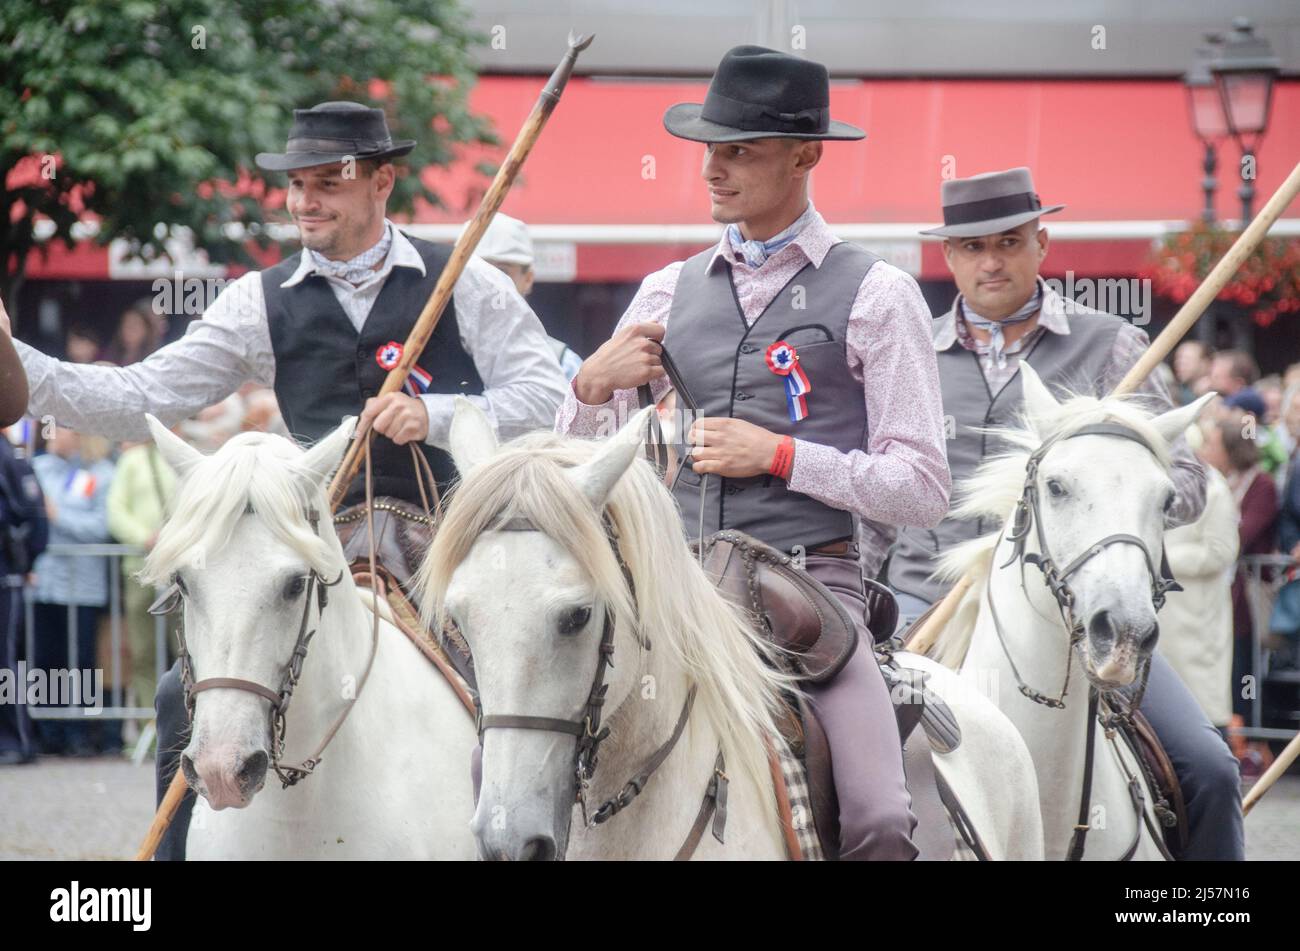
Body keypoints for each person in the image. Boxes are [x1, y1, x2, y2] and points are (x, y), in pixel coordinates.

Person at [9, 100, 566, 857]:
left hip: (443, 539)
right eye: (296, 184)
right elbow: (142, 396)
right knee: (182, 691)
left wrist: (435, 415)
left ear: (382, 183)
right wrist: (23, 367)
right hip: (313, 542)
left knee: (522, 679)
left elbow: (547, 397)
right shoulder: (257, 302)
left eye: (326, 183)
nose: (305, 201)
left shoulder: (463, 281)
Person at [558, 46, 951, 861]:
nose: (713, 169)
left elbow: (922, 488)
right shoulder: (665, 289)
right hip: (673, 588)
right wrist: (590, 390)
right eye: (711, 148)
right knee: (511, 761)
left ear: (806, 155)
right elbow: (581, 475)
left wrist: (780, 455)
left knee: (879, 819)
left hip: (815, 590)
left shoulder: (880, 293)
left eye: (740, 150)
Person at [887, 166, 1243, 860]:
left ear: (1042, 242)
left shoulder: (1113, 345)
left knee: (1209, 768)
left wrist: (1118, 487)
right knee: (854, 781)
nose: (991, 260)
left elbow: (1189, 482)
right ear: (948, 256)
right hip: (921, 602)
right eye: (971, 246)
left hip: (1080, 616)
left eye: (1009, 241)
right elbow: (879, 498)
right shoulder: (912, 353)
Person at [29, 427, 116, 757]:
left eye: (61, 426)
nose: (52, 433)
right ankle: (48, 732)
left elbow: (100, 527)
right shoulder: (39, 468)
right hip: (44, 583)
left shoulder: (102, 474)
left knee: (80, 662)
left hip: (82, 586)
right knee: (45, 660)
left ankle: (79, 731)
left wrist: (58, 517)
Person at [1202, 414, 1280, 780]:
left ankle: (1248, 741)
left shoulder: (1260, 484)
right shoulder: (1219, 482)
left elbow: (1242, 534)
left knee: (1245, 669)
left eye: (1213, 444)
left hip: (1247, 597)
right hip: (1223, 597)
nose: (1205, 451)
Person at [1158, 425, 1238, 732]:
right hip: (1167, 613)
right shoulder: (1160, 487)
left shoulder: (1214, 489)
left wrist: (1162, 559)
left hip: (1196, 617)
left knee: (1202, 705)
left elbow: (1221, 550)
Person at [106, 437, 177, 715]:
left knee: (185, 652)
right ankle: (150, 722)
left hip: (180, 569)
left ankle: (184, 725)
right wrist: (144, 538)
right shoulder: (132, 460)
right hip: (139, 568)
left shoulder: (185, 455)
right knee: (143, 650)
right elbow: (115, 510)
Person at [470, 212, 584, 380]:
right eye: (478, 271)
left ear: (528, 279)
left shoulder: (562, 364)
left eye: (502, 271)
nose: (490, 282)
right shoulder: (436, 355)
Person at [0, 423, 48, 765]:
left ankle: (16, 739)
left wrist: (24, 561)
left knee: (6, 661)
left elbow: (33, 517)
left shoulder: (10, 458)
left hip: (5, 575)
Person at [102, 299, 163, 367]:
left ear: (146, 330)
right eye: (126, 323)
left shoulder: (154, 359)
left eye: (135, 324)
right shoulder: (109, 353)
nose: (129, 328)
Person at [1173, 340, 1212, 405]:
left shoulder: (1218, 391)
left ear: (1204, 363)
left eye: (1187, 359)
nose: (1179, 363)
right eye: (1178, 359)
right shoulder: (1176, 391)